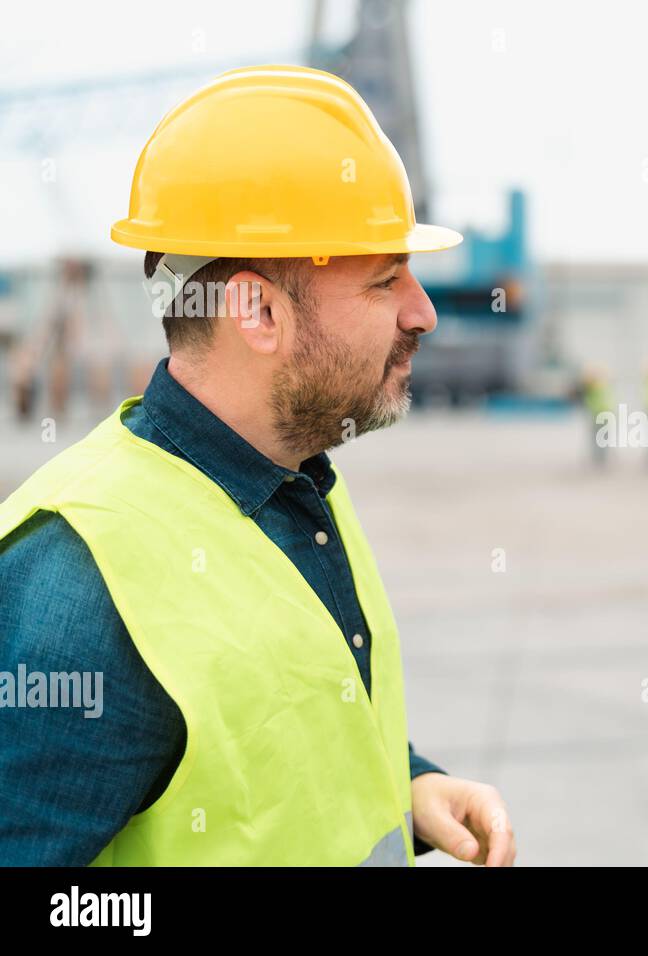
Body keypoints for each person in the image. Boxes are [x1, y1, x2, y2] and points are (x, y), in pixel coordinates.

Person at [0, 66, 516, 866]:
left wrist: (407, 787)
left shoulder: (293, 483)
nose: (425, 312)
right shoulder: (81, 581)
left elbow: (276, 726)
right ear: (257, 311)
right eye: (385, 280)